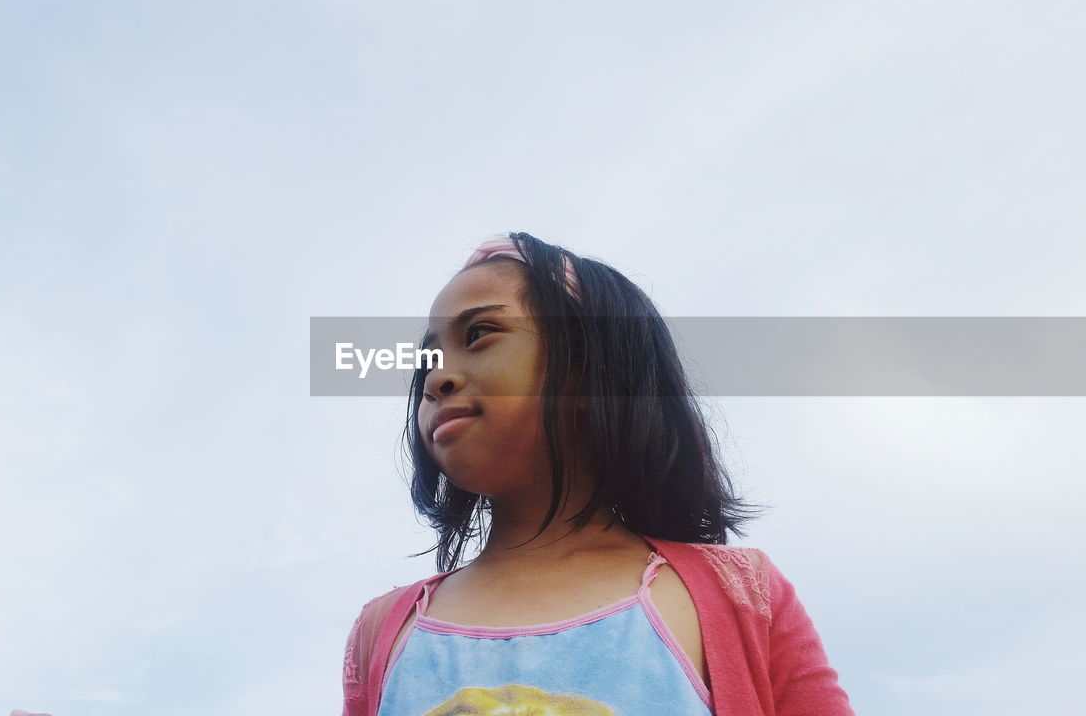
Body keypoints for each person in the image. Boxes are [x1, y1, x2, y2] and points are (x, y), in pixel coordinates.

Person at [342, 233, 854, 716]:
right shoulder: (383, 629)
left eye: (479, 334)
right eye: (429, 356)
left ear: (590, 365)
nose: (436, 377)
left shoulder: (740, 596)